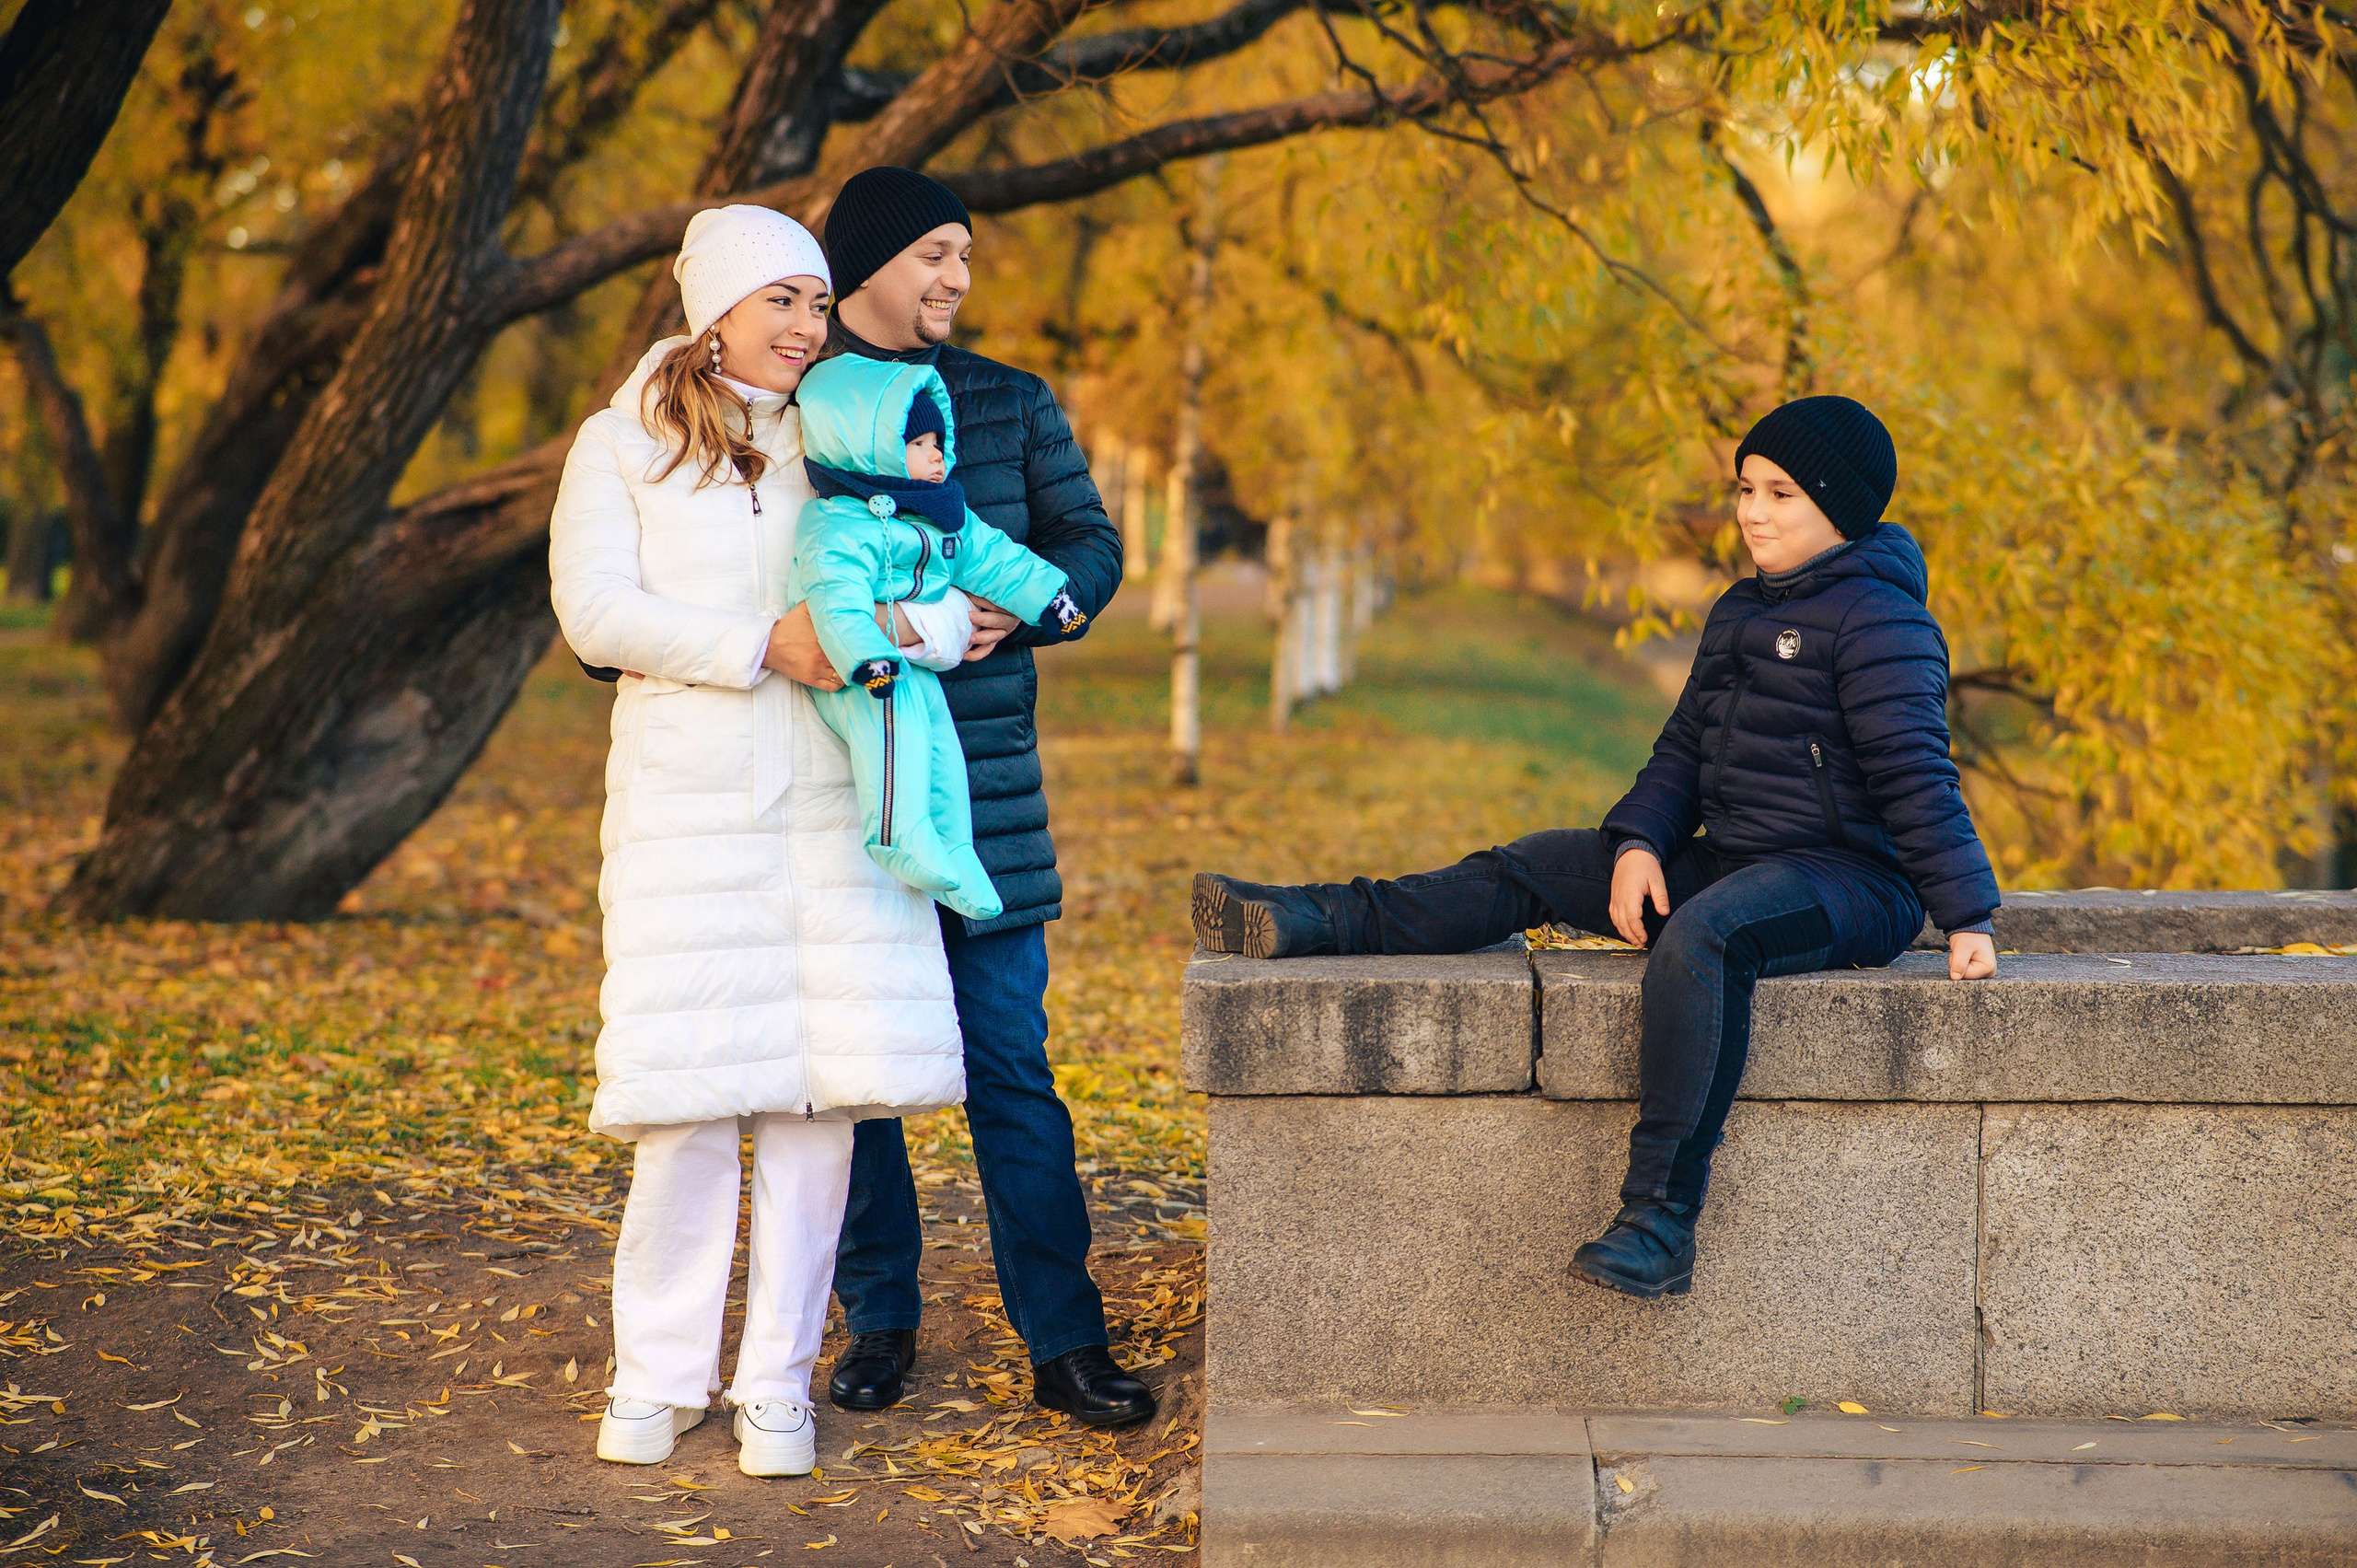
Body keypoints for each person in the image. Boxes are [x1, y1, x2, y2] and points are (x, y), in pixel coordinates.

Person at [1192, 395, 2002, 1299]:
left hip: (1851, 882)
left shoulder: (1884, 623)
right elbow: (1682, 749)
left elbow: (1915, 773)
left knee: (1706, 937)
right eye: (1745, 488)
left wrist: (1966, 913)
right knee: (1530, 864)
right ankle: (1309, 918)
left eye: (1782, 494)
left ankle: (1659, 1222)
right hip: (1737, 856)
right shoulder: (1741, 609)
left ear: (1839, 510)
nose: (1754, 512)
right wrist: (1639, 842)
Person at [548, 204, 979, 1478]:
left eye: (818, 301)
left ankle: (776, 1383)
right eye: (781, 298)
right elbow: (595, 611)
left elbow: (941, 591)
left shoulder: (841, 437)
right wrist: (760, 646)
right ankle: (654, 1375)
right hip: (691, 809)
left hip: (846, 802)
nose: (805, 324)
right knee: (687, 1106)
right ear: (715, 309)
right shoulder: (621, 443)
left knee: (818, 1104)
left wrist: (904, 630)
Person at [813, 167, 1147, 1427]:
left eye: (964, 254)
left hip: (990, 794)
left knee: (1011, 1066)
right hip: (843, 793)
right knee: (858, 1083)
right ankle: (877, 1320)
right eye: (934, 254)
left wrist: (1033, 609)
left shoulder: (1009, 401)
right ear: (867, 264)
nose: (957, 276)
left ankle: (1064, 1340)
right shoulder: (798, 403)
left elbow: (1093, 544)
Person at [789, 354, 1088, 921]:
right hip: (859, 672)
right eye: (917, 444)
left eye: (937, 442)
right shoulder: (837, 524)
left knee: (941, 751)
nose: (935, 456)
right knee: (896, 736)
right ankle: (896, 833)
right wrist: (869, 658)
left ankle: (956, 855)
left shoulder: (940, 513)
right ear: (868, 448)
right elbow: (835, 597)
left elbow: (996, 558)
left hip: (912, 665)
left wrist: (1052, 599)